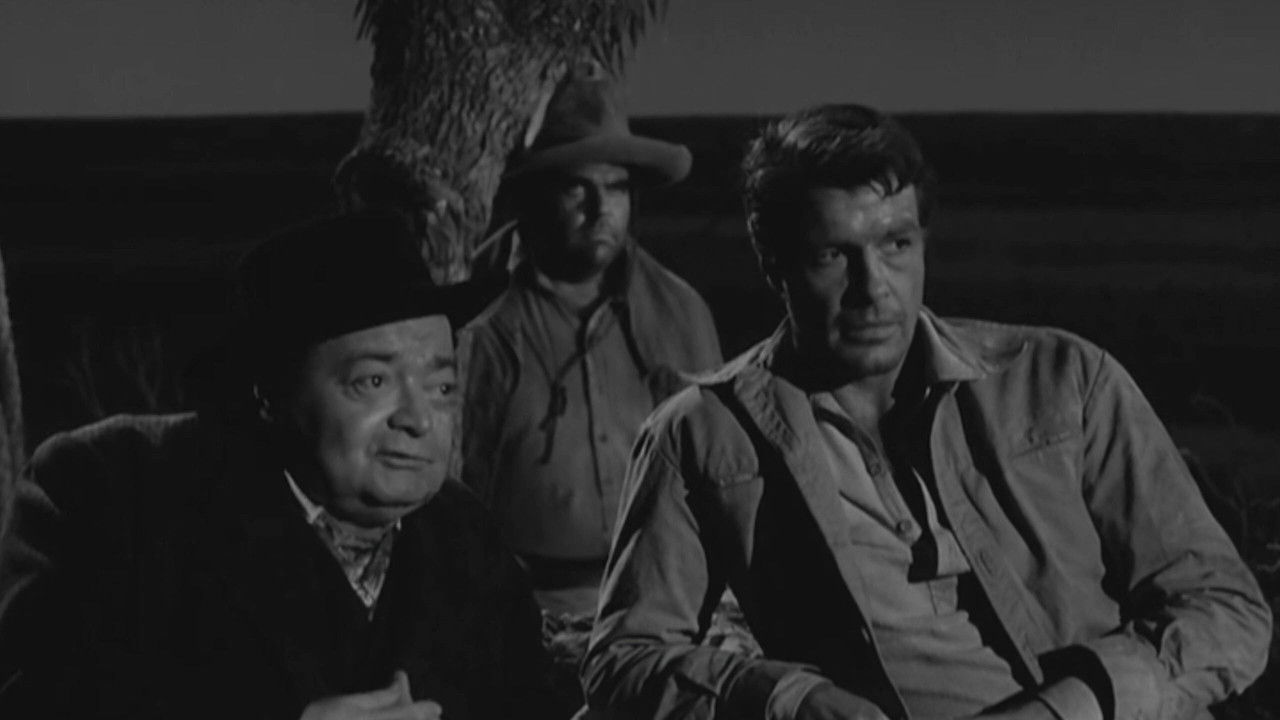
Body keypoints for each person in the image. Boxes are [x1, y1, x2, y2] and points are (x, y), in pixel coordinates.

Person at [581, 105, 1271, 720]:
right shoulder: (703, 434)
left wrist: (1069, 706)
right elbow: (625, 660)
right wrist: (787, 699)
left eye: (896, 244)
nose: (873, 287)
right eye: (832, 255)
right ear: (775, 265)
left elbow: (1226, 610)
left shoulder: (1063, 381)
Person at [0, 213, 552, 720]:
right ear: (270, 393)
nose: (418, 418)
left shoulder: (465, 536)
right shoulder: (113, 493)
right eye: (373, 381)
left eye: (442, 387)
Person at [458, 63, 722, 618]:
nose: (601, 210)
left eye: (617, 188)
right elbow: (450, 485)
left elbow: (717, 471)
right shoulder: (481, 320)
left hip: (659, 597)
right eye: (577, 187)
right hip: (517, 605)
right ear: (535, 196)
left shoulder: (679, 312)